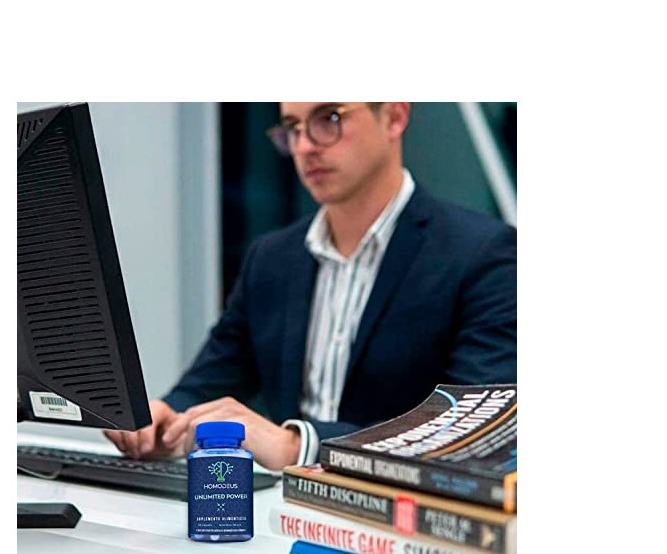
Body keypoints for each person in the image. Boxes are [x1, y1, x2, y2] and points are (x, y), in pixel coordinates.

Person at [105, 102, 516, 470]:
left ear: (394, 116)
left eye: (329, 118)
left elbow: (471, 430)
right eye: (293, 128)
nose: (304, 146)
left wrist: (297, 446)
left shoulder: (482, 253)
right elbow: (212, 378)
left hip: (401, 515)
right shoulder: (272, 258)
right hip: (282, 513)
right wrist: (165, 417)